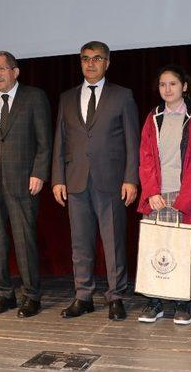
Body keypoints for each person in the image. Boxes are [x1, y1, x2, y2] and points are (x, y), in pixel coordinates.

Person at [51, 41, 140, 321]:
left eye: (97, 59)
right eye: (85, 59)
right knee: (80, 243)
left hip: (111, 181)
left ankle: (116, 297)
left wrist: (131, 178)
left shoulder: (122, 96)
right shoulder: (66, 98)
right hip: (76, 180)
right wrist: (57, 179)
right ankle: (83, 296)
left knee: (113, 242)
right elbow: (59, 141)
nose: (90, 64)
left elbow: (132, 141)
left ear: (107, 63)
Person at [0, 51, 52, 318]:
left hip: (22, 180)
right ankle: (4, 294)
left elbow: (44, 141)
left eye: (2, 69)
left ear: (15, 72)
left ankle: (31, 296)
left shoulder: (34, 97)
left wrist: (39, 173)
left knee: (23, 240)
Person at [136, 64, 191, 325]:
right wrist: (151, 191)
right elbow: (145, 157)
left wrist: (184, 200)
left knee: (183, 250)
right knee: (156, 248)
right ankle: (154, 302)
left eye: (172, 84)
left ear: (184, 87)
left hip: (185, 197)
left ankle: (182, 303)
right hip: (157, 196)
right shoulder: (152, 118)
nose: (167, 89)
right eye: (162, 85)